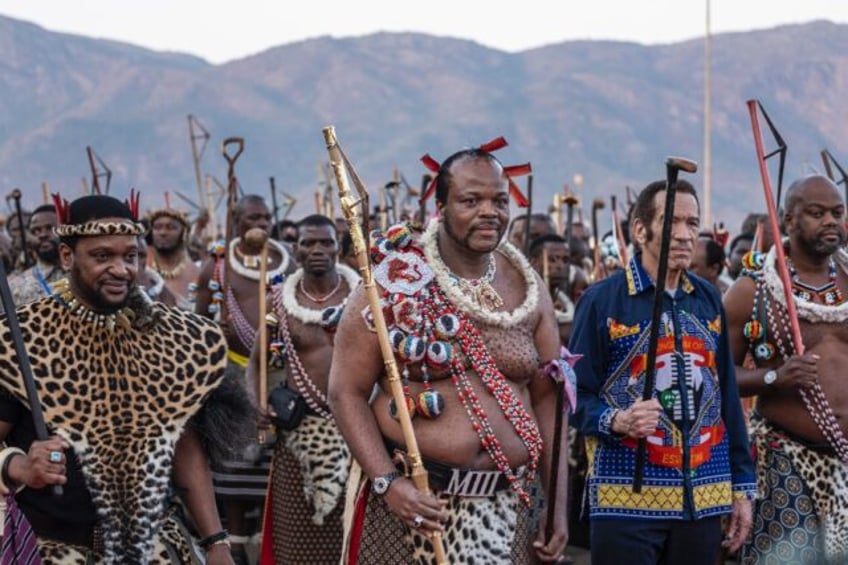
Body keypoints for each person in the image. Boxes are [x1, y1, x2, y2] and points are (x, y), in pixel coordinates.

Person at [328, 146, 570, 564]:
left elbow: (549, 399)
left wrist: (557, 506)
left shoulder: (528, 288)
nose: (489, 212)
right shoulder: (393, 280)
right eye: (471, 200)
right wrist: (387, 483)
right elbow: (345, 392)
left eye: (499, 199)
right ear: (440, 206)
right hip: (417, 509)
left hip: (511, 505)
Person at [0, 194, 251, 563]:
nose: (121, 270)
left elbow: (183, 446)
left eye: (130, 256)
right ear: (68, 257)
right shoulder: (23, 338)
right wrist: (20, 466)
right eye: (103, 256)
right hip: (51, 548)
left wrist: (216, 542)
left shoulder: (170, 337)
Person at [569, 178, 756, 565]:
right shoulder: (602, 301)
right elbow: (573, 397)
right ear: (640, 230)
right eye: (674, 223)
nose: (687, 235)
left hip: (702, 500)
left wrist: (741, 488)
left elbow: (726, 400)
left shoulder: (707, 300)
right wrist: (616, 419)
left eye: (693, 223)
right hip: (626, 502)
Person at [724, 175, 848, 564]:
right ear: (788, 221)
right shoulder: (753, 291)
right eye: (816, 213)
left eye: (837, 212)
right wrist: (775, 376)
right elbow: (716, 376)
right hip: (787, 462)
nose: (830, 221)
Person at [247, 214, 359, 564]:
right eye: (308, 243)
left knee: (354, 533)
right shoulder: (280, 301)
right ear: (295, 251)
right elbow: (256, 364)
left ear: (338, 246)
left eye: (325, 242)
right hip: (299, 435)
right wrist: (256, 402)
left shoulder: (362, 298)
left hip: (357, 432)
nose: (317, 249)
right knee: (295, 538)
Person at [195, 194, 296, 564]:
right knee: (236, 457)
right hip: (232, 369)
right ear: (236, 221)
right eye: (254, 217)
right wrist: (217, 329)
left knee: (274, 458)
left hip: (278, 369)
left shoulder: (287, 260)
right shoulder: (216, 268)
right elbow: (198, 324)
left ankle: (270, 535)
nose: (262, 224)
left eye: (267, 217)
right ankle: (235, 542)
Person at [8, 204, 66, 306]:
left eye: (50, 228)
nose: (42, 235)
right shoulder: (16, 287)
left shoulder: (84, 273)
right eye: (36, 231)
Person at [146, 207, 201, 310]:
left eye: (171, 227)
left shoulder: (197, 273)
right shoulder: (142, 268)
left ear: (183, 233)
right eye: (157, 227)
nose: (163, 232)